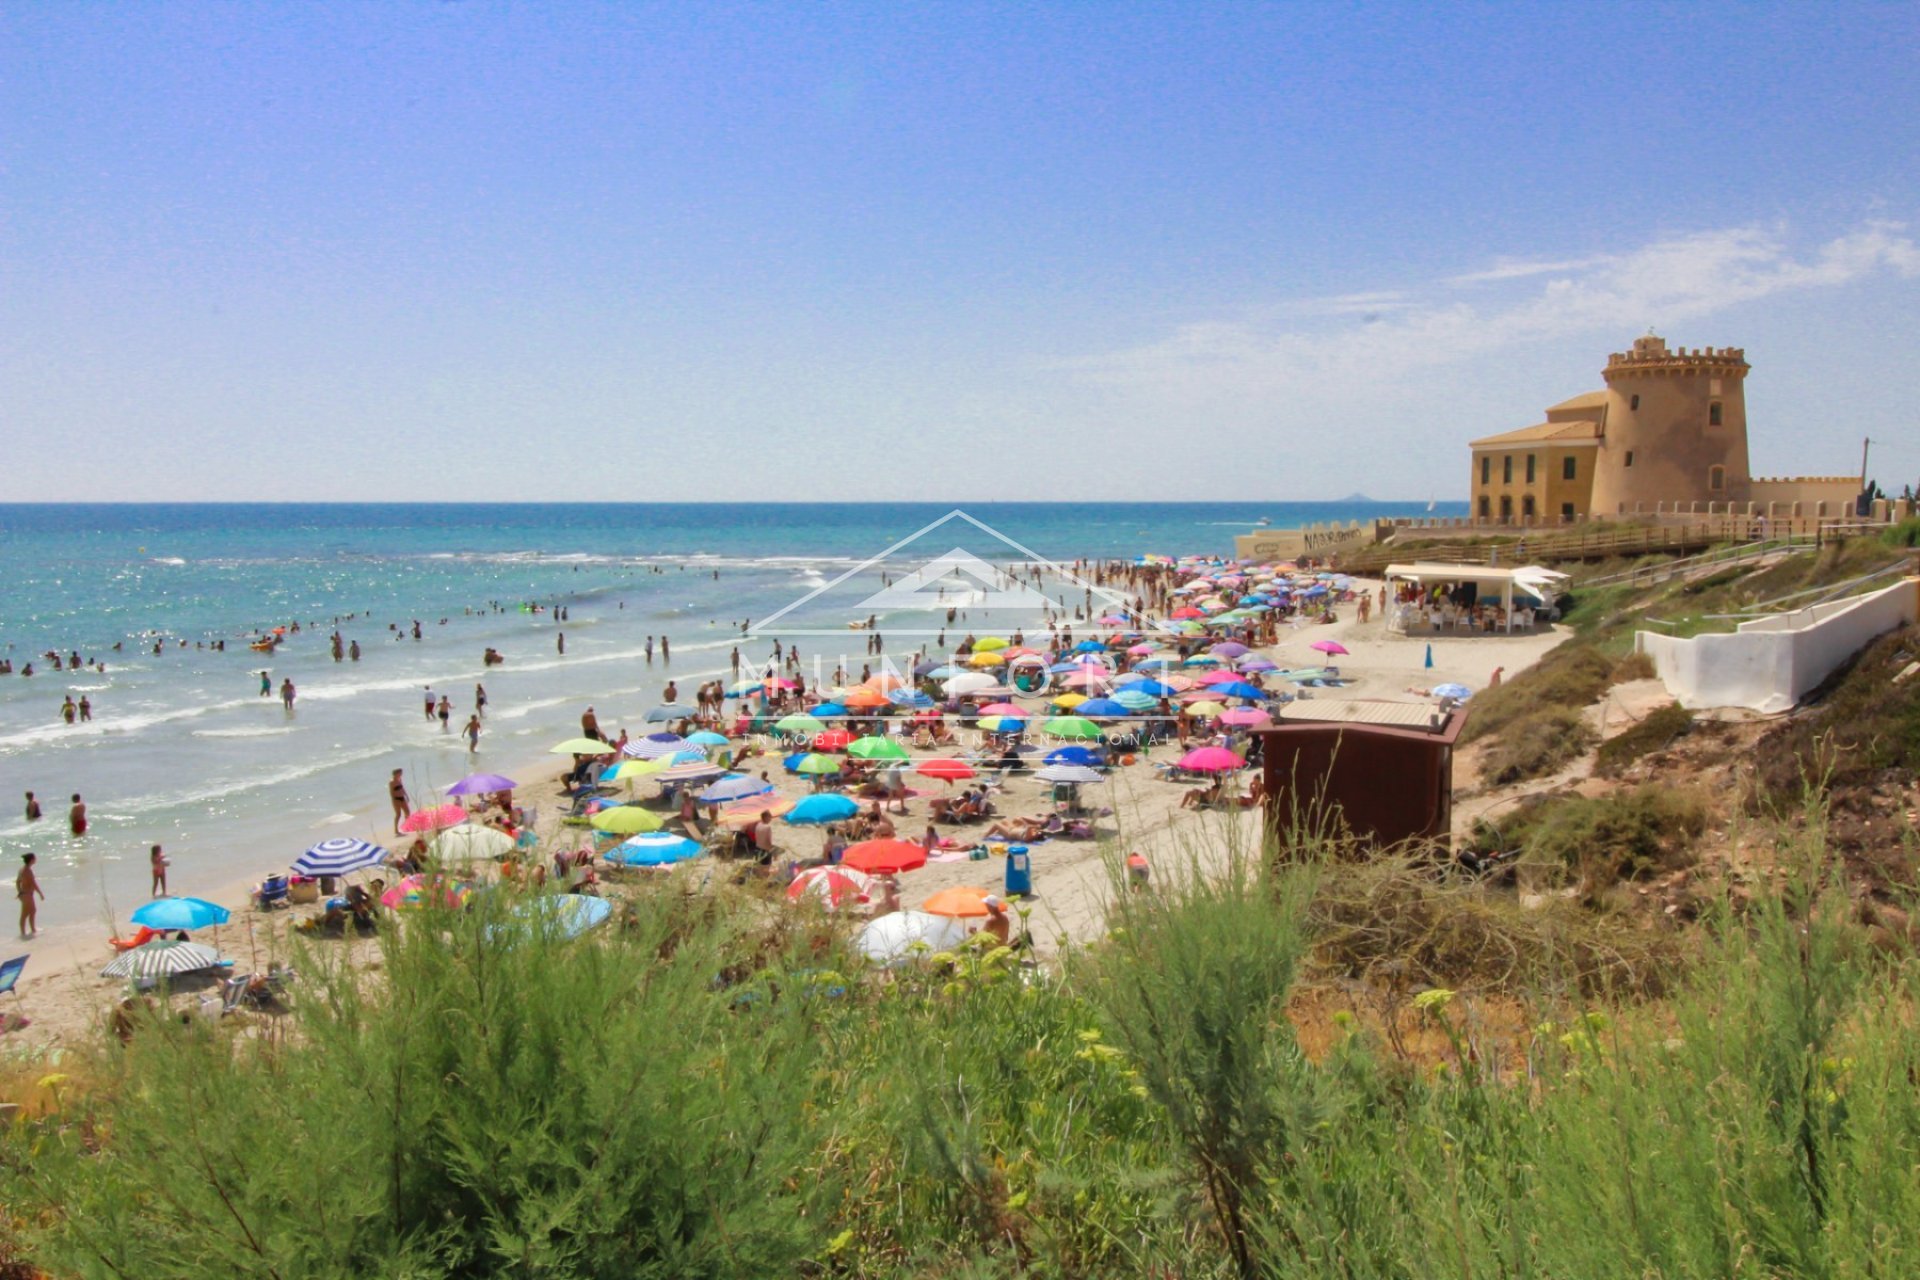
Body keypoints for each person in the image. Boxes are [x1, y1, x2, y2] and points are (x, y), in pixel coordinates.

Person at [17, 853, 43, 938]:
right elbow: (33, 884)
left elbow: (17, 882)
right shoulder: (27, 870)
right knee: (25, 913)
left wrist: (19, 892)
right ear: (31, 860)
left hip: (24, 894)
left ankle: (32, 930)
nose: (36, 859)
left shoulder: (22, 869)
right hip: (27, 894)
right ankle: (24, 933)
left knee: (32, 911)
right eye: (35, 858)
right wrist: (40, 893)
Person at [388, 768, 411, 835]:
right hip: (396, 799)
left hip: (402, 798)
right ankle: (396, 830)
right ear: (395, 774)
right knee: (398, 814)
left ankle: (406, 826)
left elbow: (402, 788)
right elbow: (391, 792)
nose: (401, 774)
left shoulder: (399, 779)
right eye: (400, 773)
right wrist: (394, 801)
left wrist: (406, 795)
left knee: (407, 812)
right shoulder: (391, 782)